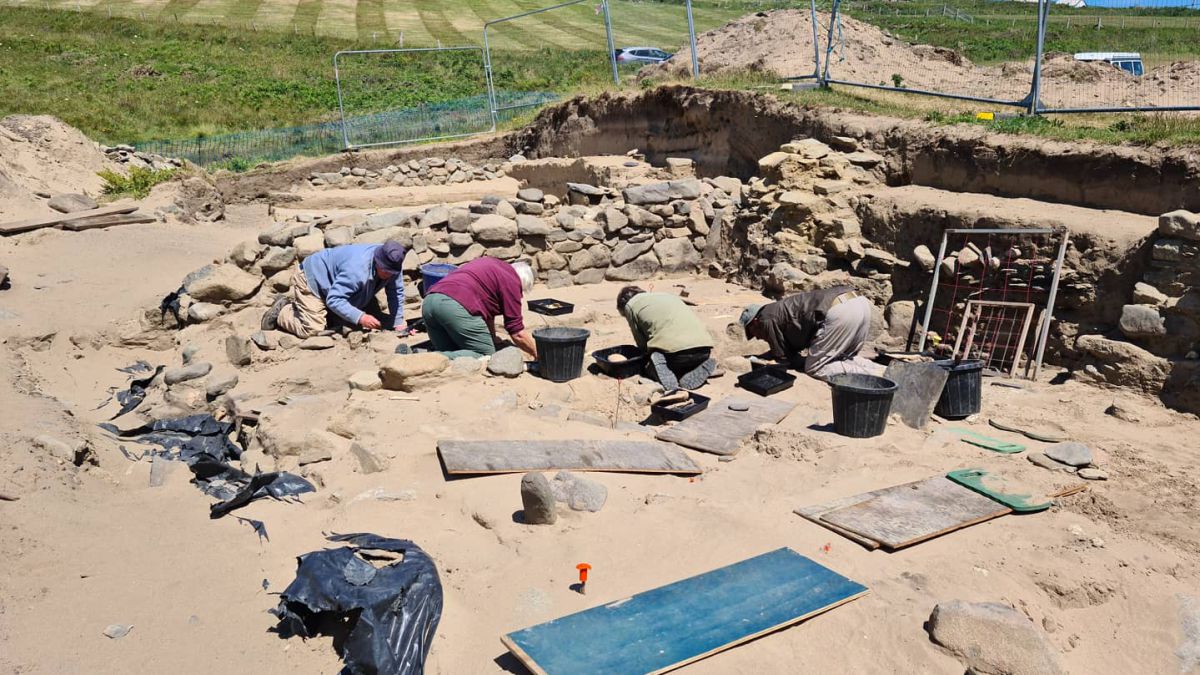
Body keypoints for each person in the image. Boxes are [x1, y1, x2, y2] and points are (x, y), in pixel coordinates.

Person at [261, 241, 407, 339]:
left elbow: (396, 292)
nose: (389, 275)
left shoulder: (394, 265)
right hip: (312, 280)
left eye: (391, 272)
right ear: (377, 260)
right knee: (313, 330)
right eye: (385, 271)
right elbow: (334, 299)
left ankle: (326, 313)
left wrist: (398, 322)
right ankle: (283, 310)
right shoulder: (357, 270)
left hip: (334, 283)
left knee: (351, 316)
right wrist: (361, 317)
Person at [740, 286, 884, 380]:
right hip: (858, 302)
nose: (758, 338)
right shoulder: (775, 309)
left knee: (815, 368)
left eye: (753, 333)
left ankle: (876, 376)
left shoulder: (765, 319)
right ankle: (883, 370)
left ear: (755, 321)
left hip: (839, 312)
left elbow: (784, 357)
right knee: (844, 357)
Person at [421, 257, 537, 360]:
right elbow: (517, 332)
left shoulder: (493, 266)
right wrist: (538, 353)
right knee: (484, 355)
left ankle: (423, 356)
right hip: (454, 306)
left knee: (453, 353)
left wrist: (492, 338)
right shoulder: (511, 281)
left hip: (430, 301)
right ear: (524, 282)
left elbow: (488, 313)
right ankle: (427, 358)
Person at [617, 286, 716, 391]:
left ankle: (663, 372)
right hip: (704, 350)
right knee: (677, 354)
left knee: (653, 360)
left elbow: (640, 341)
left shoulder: (630, 305)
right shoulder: (668, 295)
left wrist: (645, 357)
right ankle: (696, 368)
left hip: (676, 357)